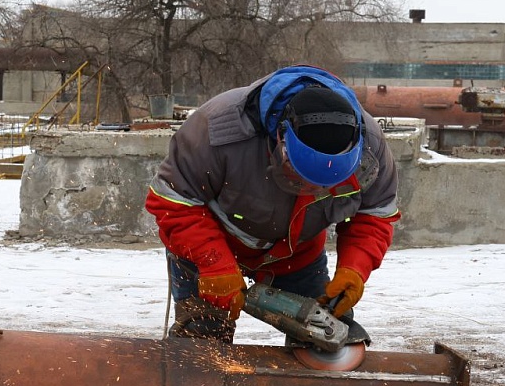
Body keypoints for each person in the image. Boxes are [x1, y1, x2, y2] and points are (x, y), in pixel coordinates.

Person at [145, 65, 400, 342]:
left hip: (297, 256)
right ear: (281, 137)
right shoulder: (217, 128)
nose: (313, 190)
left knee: (328, 338)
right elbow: (174, 201)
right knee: (202, 345)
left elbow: (375, 214)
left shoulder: (371, 147)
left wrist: (354, 267)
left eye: (324, 185)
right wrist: (214, 263)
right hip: (207, 245)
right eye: (303, 178)